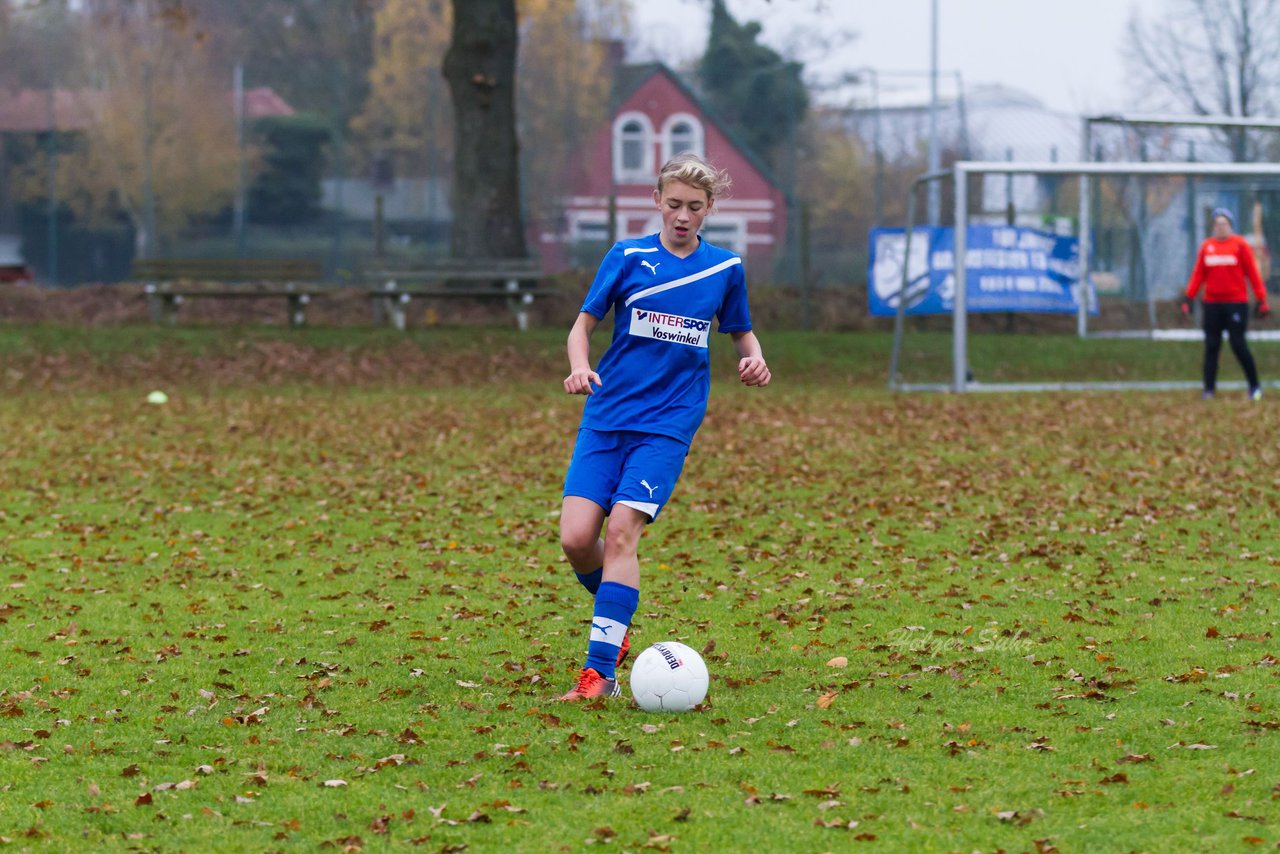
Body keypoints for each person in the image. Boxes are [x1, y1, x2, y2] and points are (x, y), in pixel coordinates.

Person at [556, 153, 770, 701]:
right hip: (607, 415)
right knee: (578, 539)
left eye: (694, 208)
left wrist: (755, 359)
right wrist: (581, 366)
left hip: (668, 424)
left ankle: (597, 675)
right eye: (673, 204)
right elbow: (582, 329)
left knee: (623, 533)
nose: (682, 216)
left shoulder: (724, 269)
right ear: (656, 201)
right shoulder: (626, 257)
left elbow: (742, 335)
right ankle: (617, 627)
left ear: (709, 210)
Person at [1181, 207, 1270, 400]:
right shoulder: (1207, 247)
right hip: (1212, 304)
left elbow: (1253, 275)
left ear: (1230, 226)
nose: (1220, 227)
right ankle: (1209, 389)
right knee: (1212, 346)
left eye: (1224, 224)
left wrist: (1261, 299)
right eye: (1217, 224)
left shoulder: (1240, 245)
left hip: (1236, 303)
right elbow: (1198, 275)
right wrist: (1188, 298)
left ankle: (1255, 387)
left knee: (1238, 344)